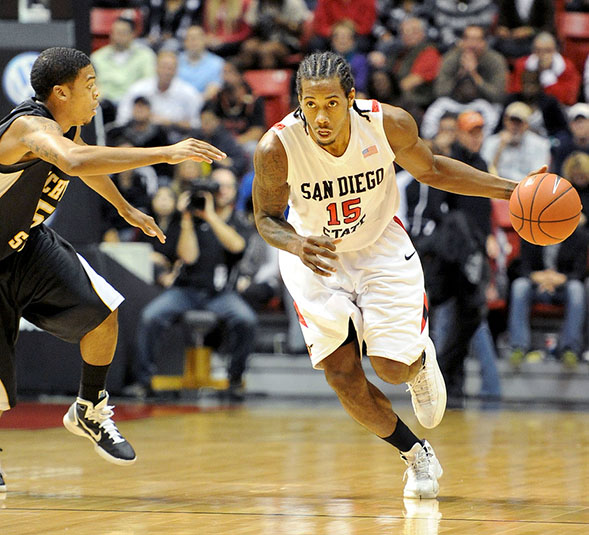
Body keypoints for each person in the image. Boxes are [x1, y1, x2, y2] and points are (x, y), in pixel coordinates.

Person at [252, 51, 521, 499]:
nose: (320, 116)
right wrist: (296, 243)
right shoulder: (276, 147)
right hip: (316, 257)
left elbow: (433, 169)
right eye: (310, 104)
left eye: (331, 104)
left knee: (390, 370)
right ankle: (414, 454)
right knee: (341, 374)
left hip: (379, 248)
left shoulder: (387, 124)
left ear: (351, 98)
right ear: (298, 101)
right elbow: (265, 218)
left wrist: (511, 190)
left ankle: (417, 364)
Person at [0, 47, 225, 490]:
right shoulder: (29, 126)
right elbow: (74, 162)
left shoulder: (69, 126)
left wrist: (124, 208)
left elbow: (84, 159)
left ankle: (88, 408)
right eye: (90, 84)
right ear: (61, 92)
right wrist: (165, 153)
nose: (98, 92)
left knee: (103, 312)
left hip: (28, 244)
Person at [131, 168, 257, 401]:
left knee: (246, 320)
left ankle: (235, 380)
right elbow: (188, 257)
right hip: (185, 290)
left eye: (227, 186)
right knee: (151, 316)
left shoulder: (238, 220)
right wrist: (188, 219)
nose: (221, 191)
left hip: (221, 294)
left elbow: (237, 246)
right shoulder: (187, 219)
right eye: (217, 186)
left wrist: (211, 216)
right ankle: (143, 382)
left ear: (234, 191)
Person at [480, 101, 551, 181]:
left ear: (526, 124)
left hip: (526, 188)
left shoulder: (540, 144)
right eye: (512, 121)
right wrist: (500, 149)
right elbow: (485, 173)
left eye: (519, 123)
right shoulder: (491, 142)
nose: (514, 127)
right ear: (505, 121)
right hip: (498, 187)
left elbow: (539, 175)